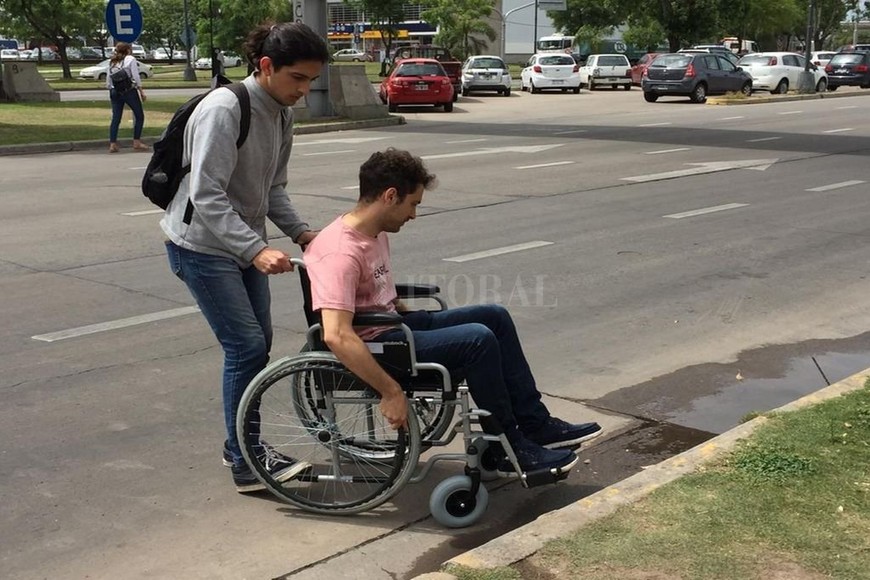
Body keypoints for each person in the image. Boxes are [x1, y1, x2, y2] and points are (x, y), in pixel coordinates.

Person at [304, 149, 603, 475]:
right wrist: (391, 392)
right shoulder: (339, 251)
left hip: (394, 329)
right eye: (413, 204)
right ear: (391, 196)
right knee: (477, 340)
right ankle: (510, 447)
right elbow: (336, 334)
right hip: (379, 348)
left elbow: (377, 295)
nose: (414, 215)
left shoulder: (372, 233)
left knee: (494, 317)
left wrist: (406, 312)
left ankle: (535, 423)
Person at [161, 22, 330, 493]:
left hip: (240, 246)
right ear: (266, 66)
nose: (305, 89)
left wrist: (301, 233)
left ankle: (241, 445)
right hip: (201, 247)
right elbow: (207, 194)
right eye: (298, 78)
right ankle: (245, 459)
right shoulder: (225, 109)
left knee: (260, 344)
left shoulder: (281, 113)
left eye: (312, 80)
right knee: (246, 347)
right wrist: (256, 249)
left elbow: (272, 187)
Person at [106, 42, 147, 153]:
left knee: (116, 118)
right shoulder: (130, 59)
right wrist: (141, 91)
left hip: (114, 91)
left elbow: (108, 79)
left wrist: (110, 89)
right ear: (128, 50)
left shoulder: (112, 61)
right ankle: (136, 141)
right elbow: (136, 76)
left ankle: (113, 144)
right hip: (128, 91)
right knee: (139, 116)